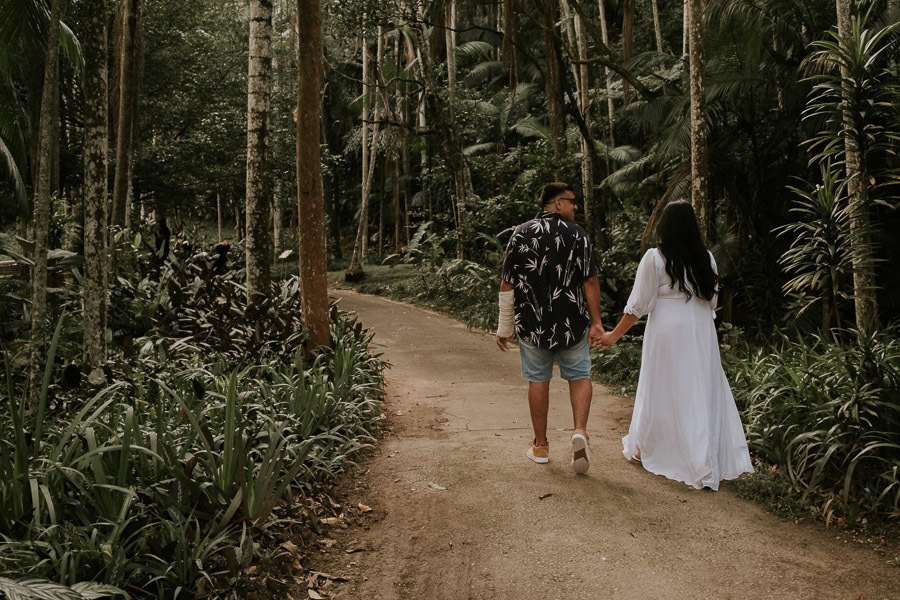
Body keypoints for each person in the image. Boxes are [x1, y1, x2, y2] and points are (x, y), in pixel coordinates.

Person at [597, 200, 753, 490]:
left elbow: (639, 305)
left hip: (667, 329)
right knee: (699, 388)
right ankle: (703, 457)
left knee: (662, 386)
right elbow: (712, 301)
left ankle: (652, 447)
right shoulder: (707, 258)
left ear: (664, 227)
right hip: (700, 329)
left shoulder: (655, 258)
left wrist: (613, 335)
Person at [496, 182, 604, 474]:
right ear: (558, 203)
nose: (575, 207)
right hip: (572, 323)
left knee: (538, 380)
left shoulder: (520, 233)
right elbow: (590, 280)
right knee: (579, 375)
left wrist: (504, 326)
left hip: (532, 324)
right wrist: (596, 323)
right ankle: (579, 431)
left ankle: (541, 446)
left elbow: (507, 282)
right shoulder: (577, 234)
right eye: (572, 202)